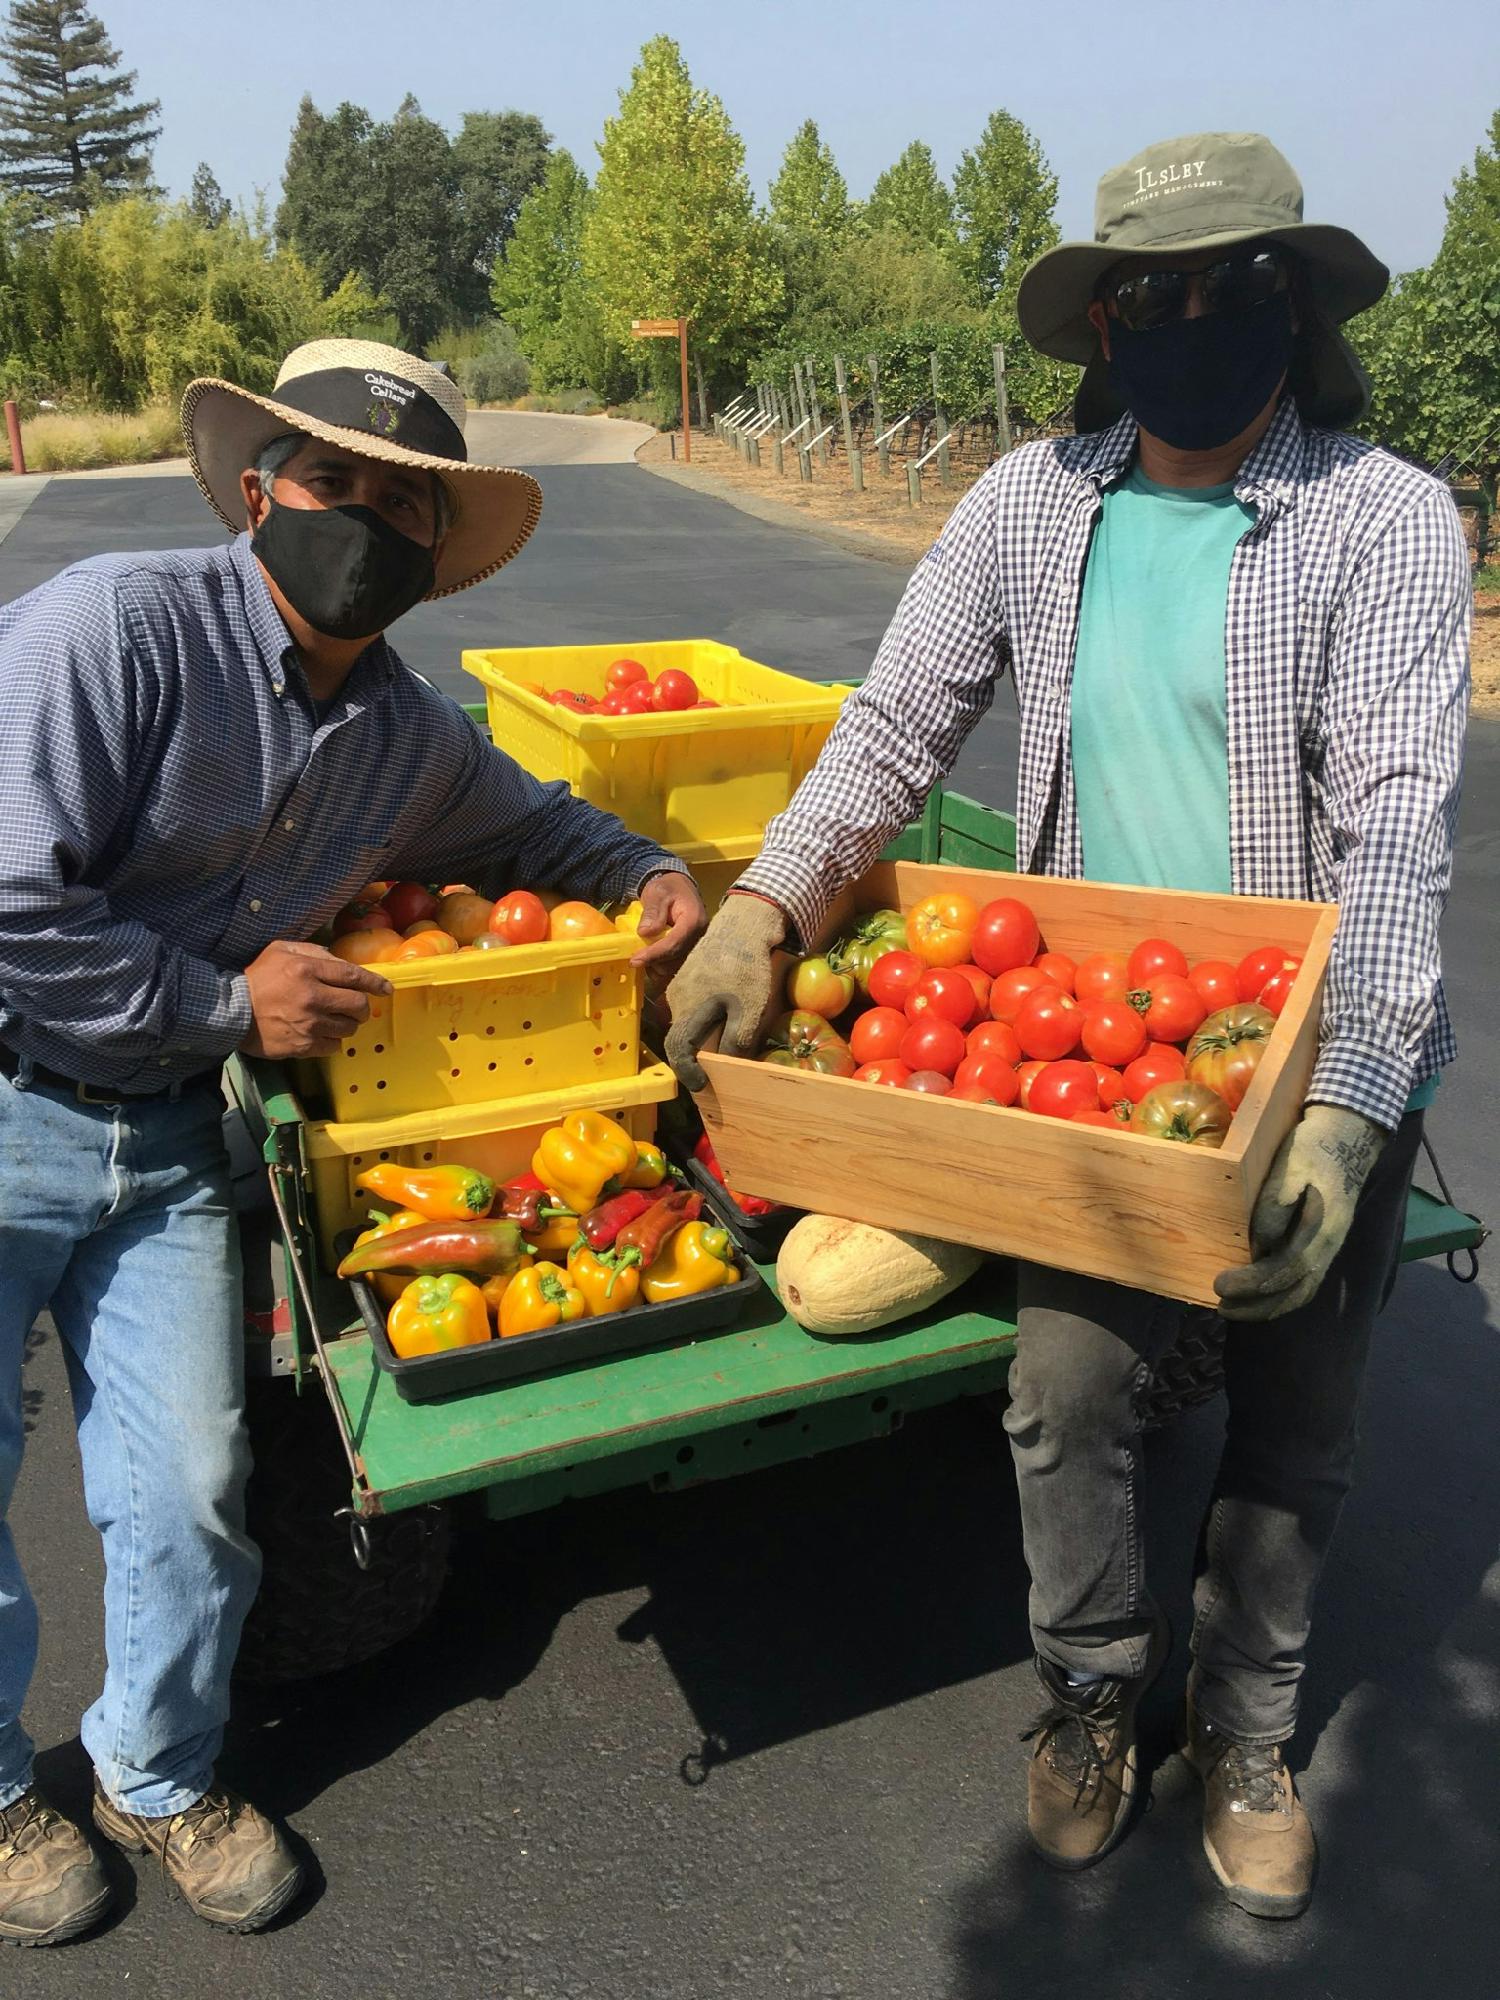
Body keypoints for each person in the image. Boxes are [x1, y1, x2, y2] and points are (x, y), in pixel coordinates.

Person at [666, 133, 1469, 1920]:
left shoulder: (1386, 517)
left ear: (1297, 302)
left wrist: (1341, 1117)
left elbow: (1399, 839)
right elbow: (895, 728)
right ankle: (1095, 1691)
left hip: (1318, 1045)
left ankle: (1248, 1727)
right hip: (1097, 1057)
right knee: (1063, 1391)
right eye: (1154, 293)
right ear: (1104, 325)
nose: (1193, 320)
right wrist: (764, 905)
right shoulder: (1032, 503)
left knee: (1298, 1416)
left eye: (1234, 287)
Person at [0, 338, 706, 1945]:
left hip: (171, 1134)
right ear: (260, 491)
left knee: (188, 1480)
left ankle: (155, 1773)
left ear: (437, 564)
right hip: (13, 1089)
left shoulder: (400, 731)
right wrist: (227, 1002)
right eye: (337, 484)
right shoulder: (119, 630)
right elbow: (10, 898)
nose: (367, 522)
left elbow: (539, 827)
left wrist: (646, 870)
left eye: (408, 506)